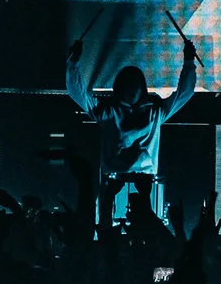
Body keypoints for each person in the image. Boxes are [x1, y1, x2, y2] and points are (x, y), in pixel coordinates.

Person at [65, 31, 202, 226]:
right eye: (127, 85)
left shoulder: (153, 112)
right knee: (111, 224)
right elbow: (78, 94)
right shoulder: (111, 111)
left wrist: (189, 62)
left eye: (134, 85)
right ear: (119, 87)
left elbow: (183, 94)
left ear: (142, 88)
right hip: (117, 180)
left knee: (140, 230)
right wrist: (73, 62)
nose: (131, 90)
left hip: (141, 181)